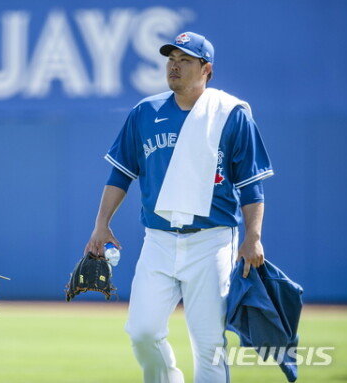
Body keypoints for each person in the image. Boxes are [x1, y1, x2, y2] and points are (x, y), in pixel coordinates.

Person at [84, 32, 274, 383]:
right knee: (141, 331)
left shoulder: (230, 114)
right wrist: (101, 224)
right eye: (171, 58)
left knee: (208, 345)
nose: (174, 65)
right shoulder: (145, 112)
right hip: (158, 239)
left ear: (207, 69)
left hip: (211, 240)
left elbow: (251, 185)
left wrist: (254, 237)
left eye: (185, 59)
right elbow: (120, 173)